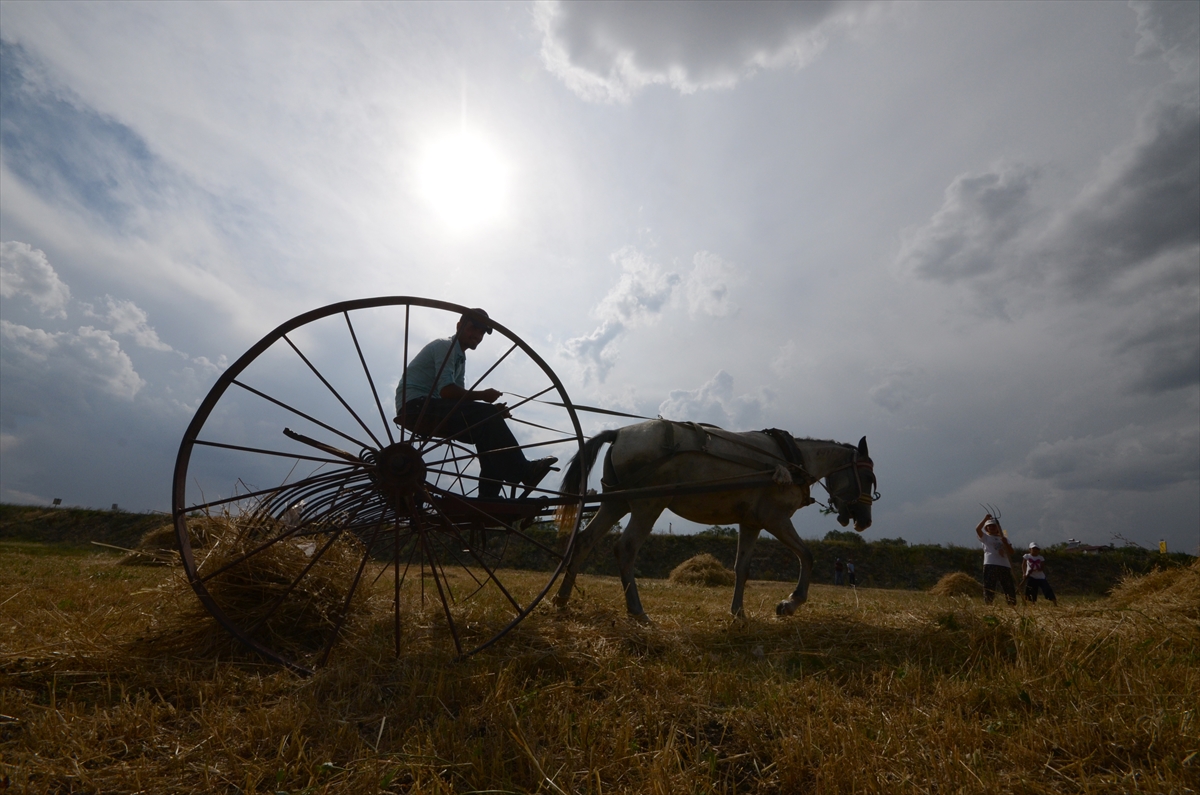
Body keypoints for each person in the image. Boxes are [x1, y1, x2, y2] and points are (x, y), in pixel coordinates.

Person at [394, 308, 556, 500]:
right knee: (485, 416)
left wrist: (492, 412)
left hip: (430, 407)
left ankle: (489, 496)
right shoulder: (445, 346)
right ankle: (524, 471)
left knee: (485, 428)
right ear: (459, 325)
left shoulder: (460, 358)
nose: (478, 336)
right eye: (474, 328)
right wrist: (482, 397)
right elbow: (447, 391)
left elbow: (456, 401)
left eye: (482, 332)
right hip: (416, 407)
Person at [975, 514, 1016, 605]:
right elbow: (977, 529)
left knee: (1008, 586)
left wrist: (1006, 544)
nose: (992, 527)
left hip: (1004, 565)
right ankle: (989, 604)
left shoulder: (1004, 539)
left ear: (998, 528)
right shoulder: (985, 537)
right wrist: (985, 519)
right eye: (989, 526)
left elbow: (1011, 552)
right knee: (989, 585)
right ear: (986, 528)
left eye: (994, 526)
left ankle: (1012, 604)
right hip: (991, 563)